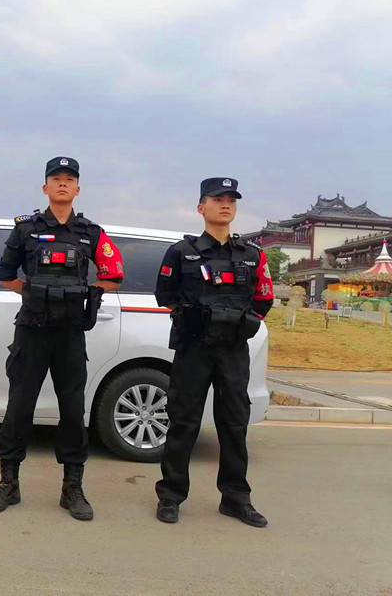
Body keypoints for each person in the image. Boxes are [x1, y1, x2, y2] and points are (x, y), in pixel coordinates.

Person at [0, 156, 124, 521]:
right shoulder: (26, 229)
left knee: (73, 410)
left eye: (69, 179)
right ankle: (8, 483)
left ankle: (72, 488)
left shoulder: (92, 233)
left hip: (70, 334)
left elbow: (113, 275)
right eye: (56, 178)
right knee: (19, 408)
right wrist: (37, 295)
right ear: (45, 187)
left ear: (78, 188)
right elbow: (5, 275)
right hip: (32, 330)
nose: (63, 183)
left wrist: (86, 293)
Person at [153, 177, 274, 527]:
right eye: (218, 199)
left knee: (234, 424)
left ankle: (236, 499)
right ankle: (171, 495)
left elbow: (264, 297)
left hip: (233, 350)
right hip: (194, 348)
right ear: (201, 207)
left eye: (231, 200)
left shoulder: (252, 255)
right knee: (183, 421)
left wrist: (237, 322)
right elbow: (166, 295)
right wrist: (196, 320)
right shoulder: (181, 252)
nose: (225, 205)